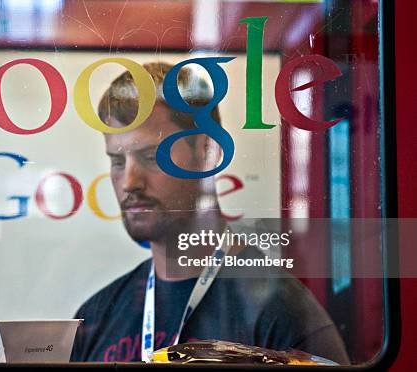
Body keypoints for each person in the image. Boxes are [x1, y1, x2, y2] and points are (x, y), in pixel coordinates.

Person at [70, 62, 350, 364]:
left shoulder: (281, 313)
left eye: (151, 156)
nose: (129, 182)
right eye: (117, 161)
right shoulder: (96, 316)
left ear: (207, 154)